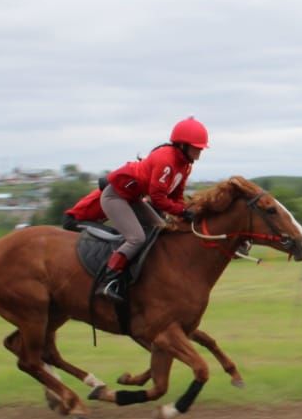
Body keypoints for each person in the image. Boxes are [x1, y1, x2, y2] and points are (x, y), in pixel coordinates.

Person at [78, 117, 208, 302]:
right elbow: (157, 198)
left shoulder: (184, 166)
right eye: (197, 146)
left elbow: (176, 197)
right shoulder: (166, 160)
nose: (201, 150)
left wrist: (185, 211)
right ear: (183, 145)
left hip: (132, 198)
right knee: (136, 238)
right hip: (114, 197)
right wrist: (182, 212)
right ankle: (108, 281)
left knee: (160, 228)